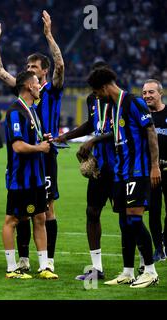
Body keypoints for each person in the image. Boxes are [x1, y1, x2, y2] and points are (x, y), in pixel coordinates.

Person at [0, 11, 64, 272]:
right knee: (21, 211)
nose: (29, 71)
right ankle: (22, 260)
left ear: (43, 72)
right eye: (28, 68)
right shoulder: (22, 94)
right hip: (22, 156)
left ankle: (48, 261)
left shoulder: (50, 90)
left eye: (34, 68)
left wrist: (49, 35)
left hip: (46, 156)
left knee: (46, 210)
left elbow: (61, 66)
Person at [87, 67, 160, 288]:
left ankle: (150, 271)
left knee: (135, 220)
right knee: (125, 223)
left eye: (97, 92)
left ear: (104, 87)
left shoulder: (134, 102)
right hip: (121, 173)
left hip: (137, 172)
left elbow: (150, 131)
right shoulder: (114, 107)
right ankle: (127, 272)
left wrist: (154, 166)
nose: (96, 97)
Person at [55, 61, 114, 280]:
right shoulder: (92, 99)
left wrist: (94, 141)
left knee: (129, 217)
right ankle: (97, 268)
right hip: (99, 167)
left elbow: (121, 130)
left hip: (120, 166)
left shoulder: (120, 101)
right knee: (92, 212)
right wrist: (66, 136)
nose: (94, 93)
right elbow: (92, 124)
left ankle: (137, 268)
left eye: (97, 88)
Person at [3, 70, 58, 280]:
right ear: (28, 86)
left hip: (37, 177)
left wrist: (43, 138)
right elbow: (17, 146)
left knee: (40, 217)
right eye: (37, 83)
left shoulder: (32, 110)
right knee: (12, 220)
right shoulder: (15, 111)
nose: (39, 86)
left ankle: (44, 267)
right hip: (20, 178)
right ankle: (11, 268)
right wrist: (40, 148)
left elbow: (31, 139)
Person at [142, 79, 167, 262]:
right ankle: (158, 248)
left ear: (161, 93)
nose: (147, 96)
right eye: (144, 93)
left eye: (151, 92)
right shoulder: (143, 116)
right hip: (151, 171)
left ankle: (164, 239)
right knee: (154, 211)